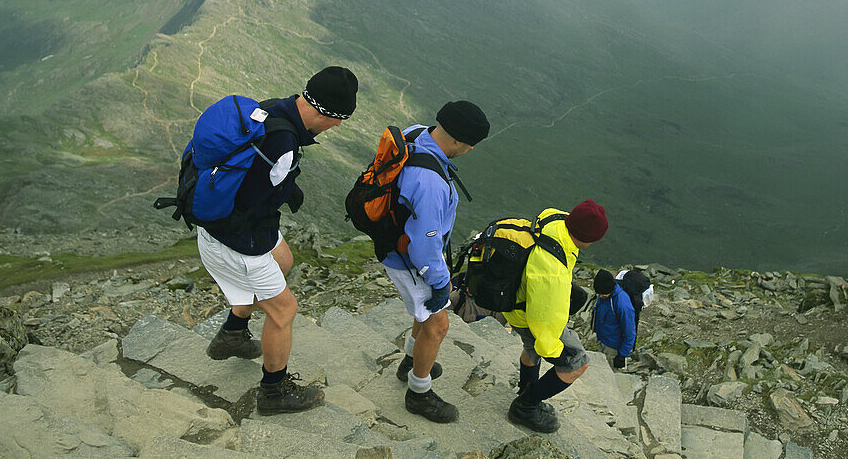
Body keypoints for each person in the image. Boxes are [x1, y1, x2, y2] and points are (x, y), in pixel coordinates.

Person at [198, 66, 358, 415]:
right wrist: (285, 186)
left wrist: (285, 185)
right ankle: (273, 391)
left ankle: (232, 334)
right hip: (236, 239)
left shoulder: (274, 108)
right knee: (285, 309)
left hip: (219, 226)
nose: (338, 126)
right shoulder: (284, 141)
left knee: (283, 260)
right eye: (338, 118)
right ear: (323, 112)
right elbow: (255, 198)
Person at [381, 100, 489, 423]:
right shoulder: (430, 185)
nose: (469, 151)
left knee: (424, 312)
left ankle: (411, 361)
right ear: (457, 141)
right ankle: (418, 392)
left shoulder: (417, 133)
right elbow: (424, 251)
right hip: (407, 258)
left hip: (395, 240)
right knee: (438, 323)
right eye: (470, 145)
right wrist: (442, 283)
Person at [503, 200, 609, 433]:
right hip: (527, 314)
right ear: (591, 239)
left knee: (530, 346)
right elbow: (543, 320)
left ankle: (526, 389)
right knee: (577, 363)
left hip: (516, 303)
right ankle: (525, 406)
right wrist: (556, 352)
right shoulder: (552, 273)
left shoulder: (555, 220)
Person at [591, 269, 636, 370]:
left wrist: (622, 355)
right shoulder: (605, 295)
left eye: (603, 294)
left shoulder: (623, 304)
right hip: (603, 340)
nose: (600, 296)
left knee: (610, 375)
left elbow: (630, 332)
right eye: (599, 294)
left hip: (613, 349)